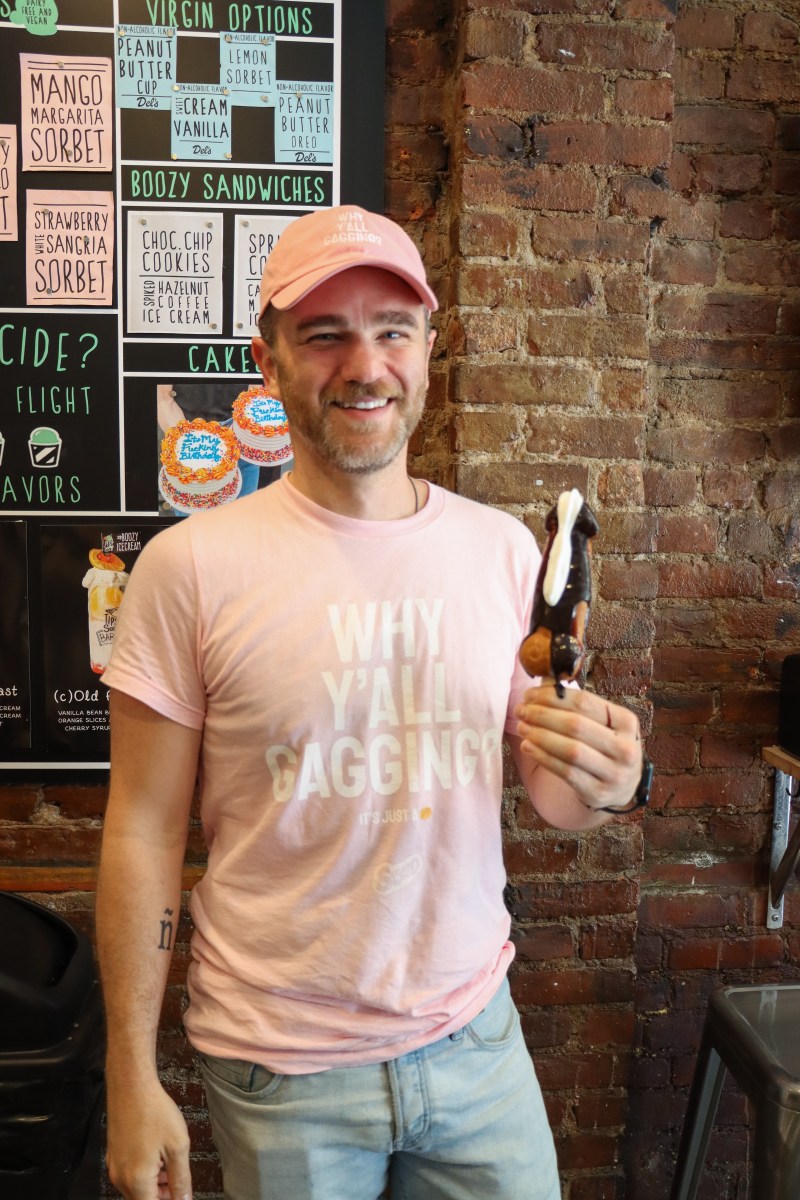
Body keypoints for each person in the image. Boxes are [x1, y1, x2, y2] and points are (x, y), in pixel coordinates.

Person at [96, 205, 645, 1200]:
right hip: (281, 1068)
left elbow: (550, 797)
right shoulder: (191, 569)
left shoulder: (498, 554)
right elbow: (139, 829)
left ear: (428, 352)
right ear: (267, 361)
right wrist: (128, 1073)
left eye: (392, 329)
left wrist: (608, 775)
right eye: (323, 334)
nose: (364, 363)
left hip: (474, 1041)